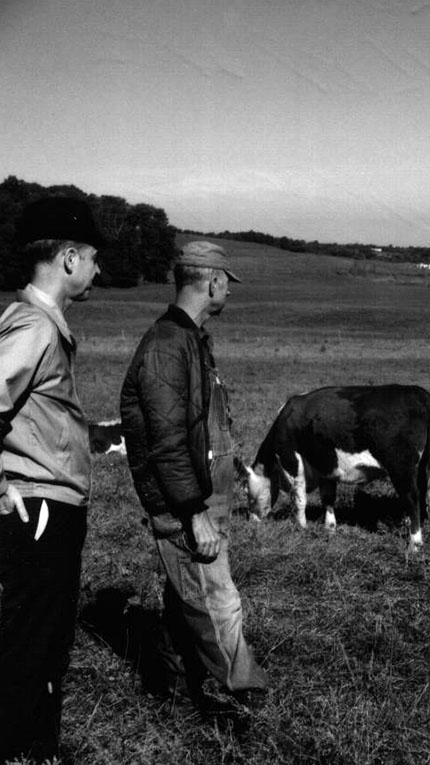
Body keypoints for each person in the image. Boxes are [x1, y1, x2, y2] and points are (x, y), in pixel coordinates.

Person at [119, 241, 267, 717]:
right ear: (212, 281)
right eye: (227, 283)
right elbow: (166, 443)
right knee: (219, 601)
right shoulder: (167, 346)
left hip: (204, 499)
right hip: (188, 506)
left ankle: (175, 691)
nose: (229, 292)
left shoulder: (189, 338)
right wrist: (193, 512)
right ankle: (248, 695)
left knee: (184, 598)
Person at [0, 197, 103, 763]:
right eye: (92, 258)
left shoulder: (42, 325)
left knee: (43, 642)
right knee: (30, 645)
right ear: (67, 258)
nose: (97, 269)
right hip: (38, 508)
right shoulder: (34, 326)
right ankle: (22, 751)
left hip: (50, 507)